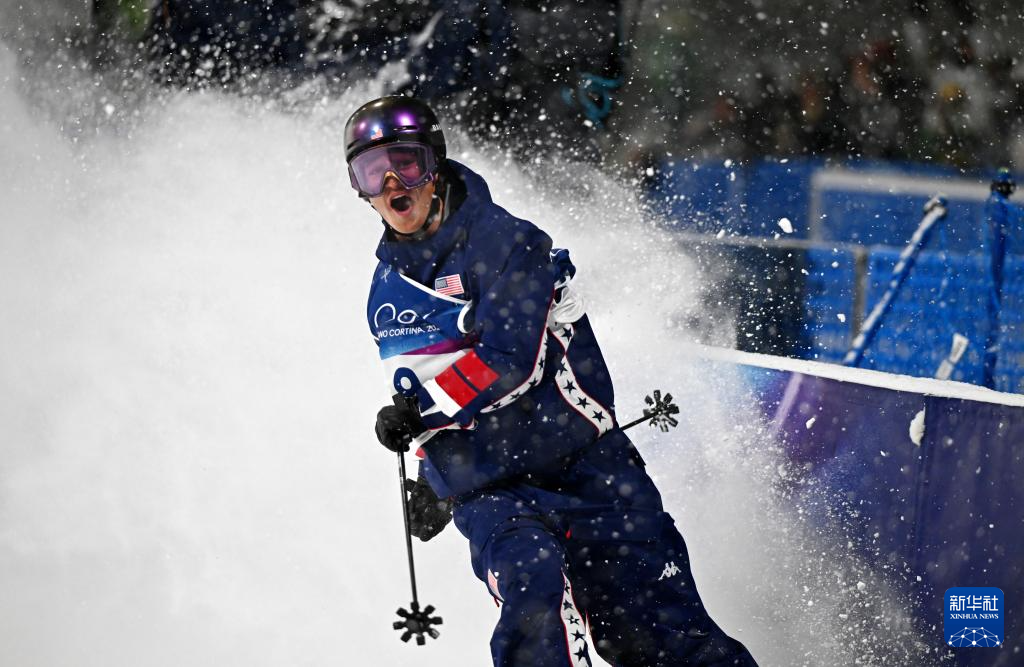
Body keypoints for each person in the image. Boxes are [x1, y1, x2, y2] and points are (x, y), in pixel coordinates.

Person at [349, 95, 759, 667]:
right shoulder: (389, 292)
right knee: (531, 589)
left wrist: (425, 416)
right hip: (492, 487)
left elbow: (508, 361)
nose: (394, 183)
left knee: (653, 635)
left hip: (584, 464)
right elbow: (422, 387)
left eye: (407, 163)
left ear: (434, 164)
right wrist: (432, 474)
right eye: (372, 172)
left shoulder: (509, 244)